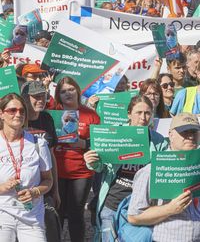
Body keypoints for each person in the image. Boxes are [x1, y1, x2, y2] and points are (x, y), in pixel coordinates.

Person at [84, 95, 168, 241]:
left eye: (148, 113)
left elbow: (163, 172)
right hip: (112, 202)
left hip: (141, 207)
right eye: (139, 112)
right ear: (129, 113)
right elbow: (100, 167)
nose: (143, 117)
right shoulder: (114, 134)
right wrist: (92, 161)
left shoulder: (158, 141)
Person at [127, 112, 200, 242]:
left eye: (194, 132)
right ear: (171, 135)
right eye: (184, 132)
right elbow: (134, 216)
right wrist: (170, 209)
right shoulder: (152, 170)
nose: (190, 136)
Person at [0, 93, 53, 242]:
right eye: (12, 110)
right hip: (2, 213)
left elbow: (48, 180)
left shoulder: (38, 143)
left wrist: (34, 191)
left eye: (22, 111)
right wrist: (2, 188)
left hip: (31, 216)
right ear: (1, 114)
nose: (18, 114)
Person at [53, 76, 100, 242]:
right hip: (57, 170)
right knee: (56, 213)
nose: (68, 94)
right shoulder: (52, 112)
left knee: (76, 214)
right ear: (58, 94)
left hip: (81, 172)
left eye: (71, 89)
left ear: (78, 91)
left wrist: (83, 142)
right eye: (63, 91)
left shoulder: (90, 115)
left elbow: (99, 143)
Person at [21, 81, 61, 242]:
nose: (40, 100)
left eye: (43, 96)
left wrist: (56, 190)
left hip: (44, 185)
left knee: (49, 228)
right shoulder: (16, 119)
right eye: (35, 97)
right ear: (24, 98)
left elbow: (51, 156)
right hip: (21, 187)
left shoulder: (46, 118)